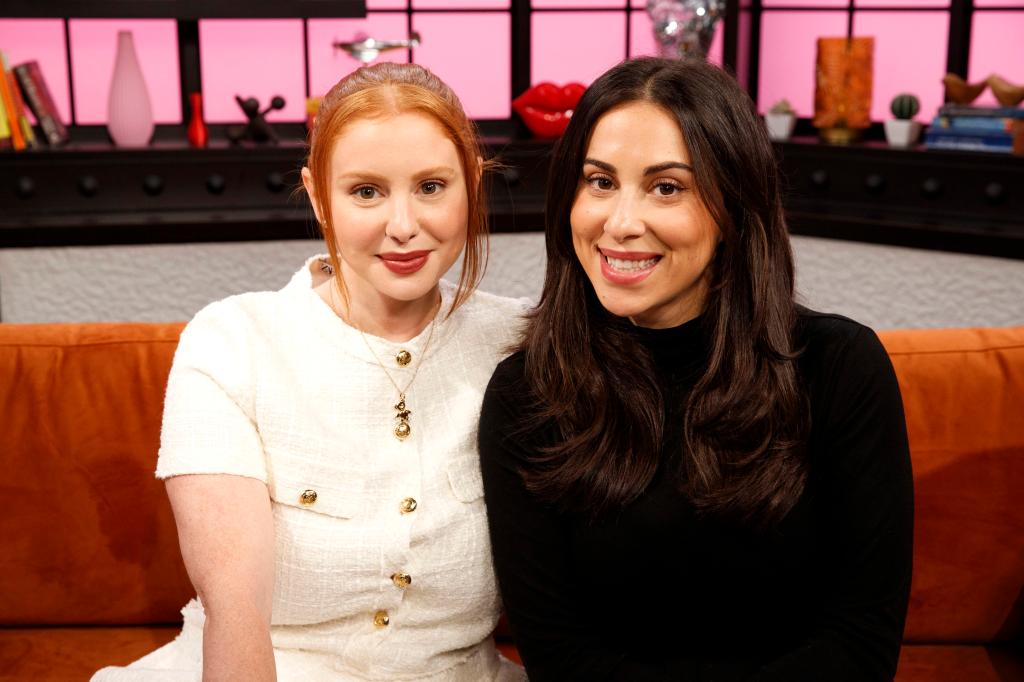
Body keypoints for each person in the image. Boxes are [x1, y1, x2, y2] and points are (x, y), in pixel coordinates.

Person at [479, 57, 914, 681]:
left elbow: (861, 641)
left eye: (667, 187)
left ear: (733, 209)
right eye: (600, 181)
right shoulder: (528, 394)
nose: (620, 223)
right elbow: (559, 655)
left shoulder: (840, 369)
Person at [93, 62, 526, 682]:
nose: (403, 225)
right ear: (318, 194)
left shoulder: (522, 343)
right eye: (366, 191)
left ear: (473, 187)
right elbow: (235, 614)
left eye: (432, 186)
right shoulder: (232, 344)